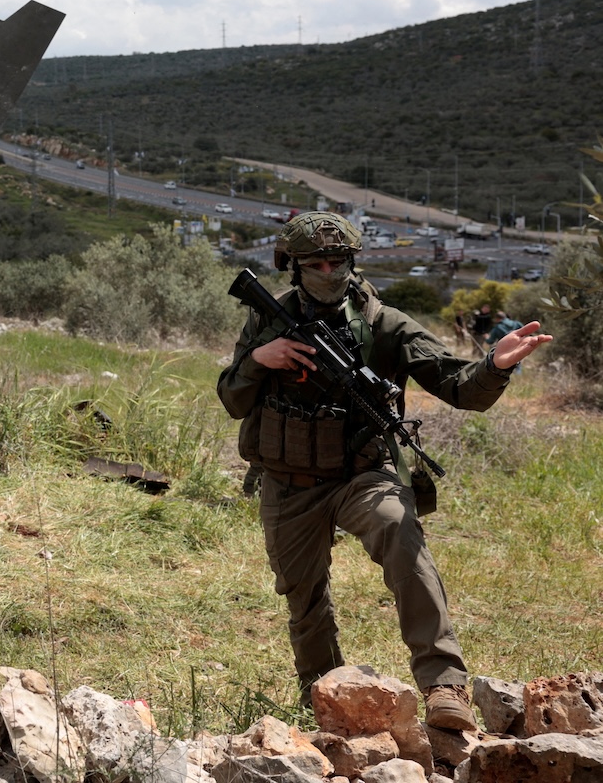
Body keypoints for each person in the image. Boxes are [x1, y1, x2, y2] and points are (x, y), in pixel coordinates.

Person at [218, 212, 551, 730]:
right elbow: (233, 400)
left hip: (362, 472)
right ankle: (326, 701)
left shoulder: (384, 323)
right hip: (288, 482)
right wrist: (262, 358)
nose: (329, 271)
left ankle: (444, 685)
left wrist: (495, 366)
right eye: (316, 263)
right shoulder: (266, 319)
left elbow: (458, 385)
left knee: (401, 532)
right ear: (294, 266)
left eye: (339, 262)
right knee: (304, 599)